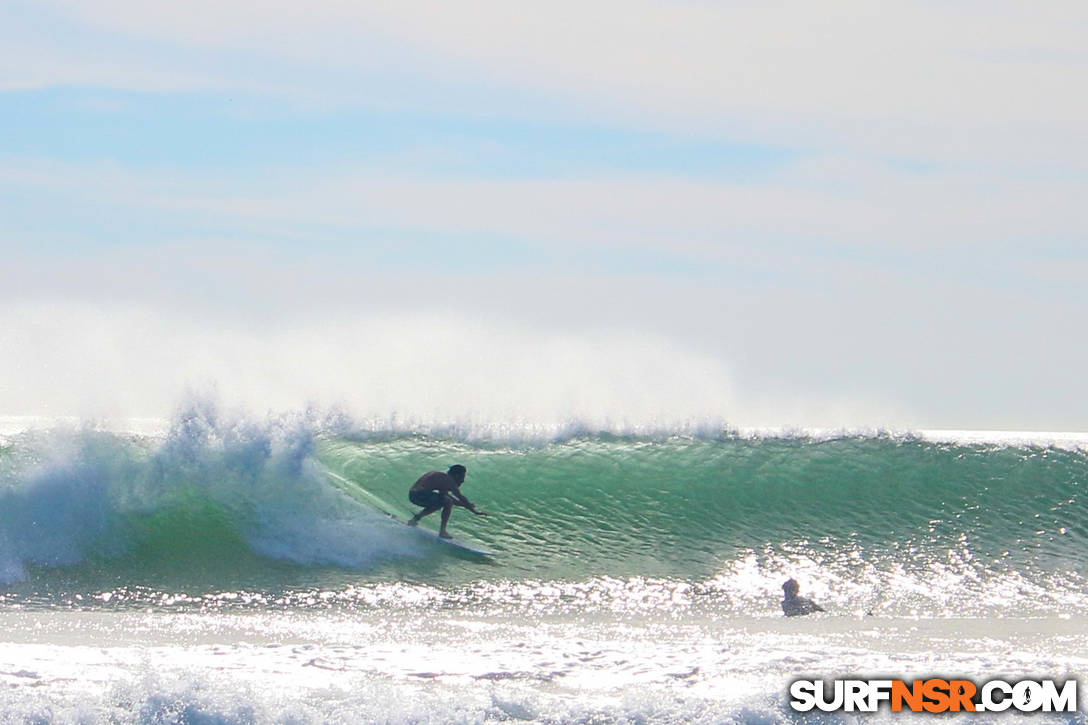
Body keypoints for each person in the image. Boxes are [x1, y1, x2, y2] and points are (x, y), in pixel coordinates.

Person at [407, 464, 485, 538]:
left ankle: (415, 519)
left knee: (441, 503)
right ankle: (442, 531)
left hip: (413, 495)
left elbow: (447, 497)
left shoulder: (442, 478)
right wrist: (474, 511)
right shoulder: (449, 480)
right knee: (447, 501)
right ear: (456, 475)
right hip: (420, 495)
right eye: (462, 477)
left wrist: (465, 505)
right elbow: (460, 497)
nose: (463, 480)